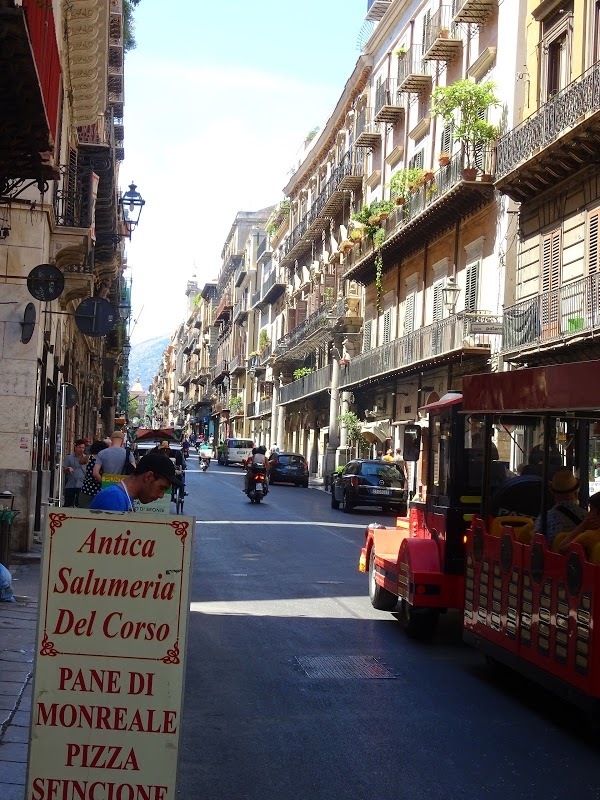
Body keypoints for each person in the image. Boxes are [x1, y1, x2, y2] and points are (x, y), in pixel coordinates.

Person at [90, 453, 183, 511]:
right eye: (161, 488)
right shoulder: (113, 498)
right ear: (148, 477)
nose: (161, 495)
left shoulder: (124, 498)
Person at [532, 469, 586, 548]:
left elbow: (534, 547)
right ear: (576, 494)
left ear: (553, 494)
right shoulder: (587, 518)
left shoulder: (544, 519)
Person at [78, 440, 109, 508]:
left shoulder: (89, 457)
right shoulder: (104, 459)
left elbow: (80, 461)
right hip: (100, 489)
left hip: (86, 488)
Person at [63, 439, 88, 507]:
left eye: (83, 448)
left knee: (79, 504)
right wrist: (68, 468)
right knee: (68, 504)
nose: (81, 449)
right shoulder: (69, 458)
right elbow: (63, 470)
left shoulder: (86, 458)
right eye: (79, 447)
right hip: (71, 484)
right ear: (75, 447)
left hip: (82, 485)